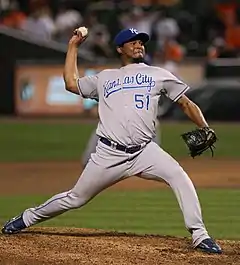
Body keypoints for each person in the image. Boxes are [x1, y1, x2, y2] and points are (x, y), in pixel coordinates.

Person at [2, 27, 222, 254]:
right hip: (109, 154)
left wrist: (205, 127)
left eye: (140, 42)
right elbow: (71, 83)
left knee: (179, 176)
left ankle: (199, 234)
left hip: (145, 151)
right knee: (75, 198)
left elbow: (186, 103)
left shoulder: (158, 74)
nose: (138, 45)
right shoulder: (105, 78)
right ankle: (28, 217)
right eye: (132, 42)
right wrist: (73, 47)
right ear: (120, 48)